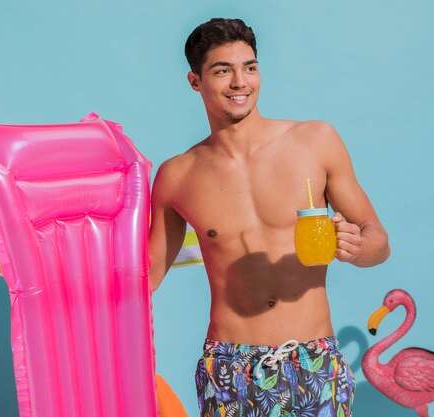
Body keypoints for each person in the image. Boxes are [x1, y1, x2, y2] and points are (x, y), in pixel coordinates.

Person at [148, 18, 389, 417]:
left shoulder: (315, 141)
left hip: (312, 360)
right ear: (195, 82)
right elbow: (147, 276)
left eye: (250, 67)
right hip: (228, 368)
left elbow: (377, 241)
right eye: (223, 70)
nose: (240, 81)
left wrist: (358, 247)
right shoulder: (177, 175)